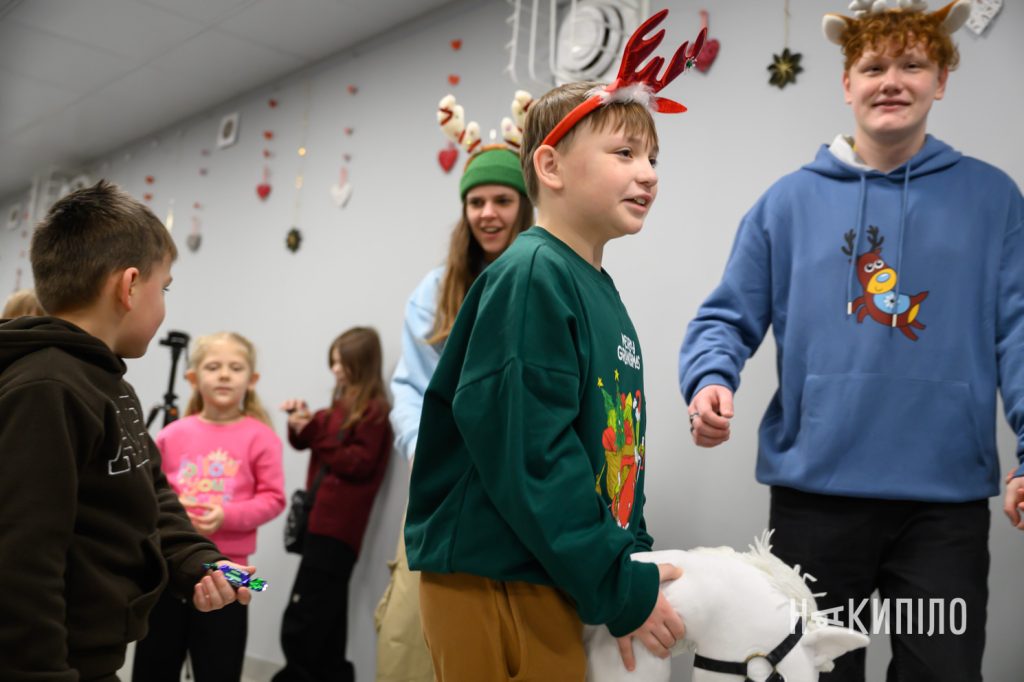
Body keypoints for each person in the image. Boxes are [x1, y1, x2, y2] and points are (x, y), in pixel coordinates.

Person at [678, 2, 1023, 680]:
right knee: (814, 676)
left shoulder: (993, 200)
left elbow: (1019, 332)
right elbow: (725, 317)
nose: (891, 81)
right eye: (873, 67)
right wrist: (710, 378)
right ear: (846, 83)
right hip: (815, 505)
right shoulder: (786, 203)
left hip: (943, 510)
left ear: (941, 80)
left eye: (912, 65)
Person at [405, 11, 705, 679]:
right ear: (551, 165)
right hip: (494, 575)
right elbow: (531, 453)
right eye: (625, 154)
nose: (648, 174)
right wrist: (617, 582)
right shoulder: (532, 275)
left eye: (653, 158)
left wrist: (628, 561)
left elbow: (617, 451)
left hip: (553, 567)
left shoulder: (599, 291)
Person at [0, 180, 255, 682]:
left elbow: (149, 496)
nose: (164, 303)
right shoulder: (47, 388)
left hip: (96, 657)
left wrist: (199, 560)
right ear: (130, 286)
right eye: (165, 288)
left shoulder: (110, 384)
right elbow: (21, 558)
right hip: (53, 665)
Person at [374, 90, 536, 682]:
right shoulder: (436, 291)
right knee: (415, 631)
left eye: (502, 200)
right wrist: (424, 450)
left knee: (512, 632)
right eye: (476, 201)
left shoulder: (545, 279)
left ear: (525, 204)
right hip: (444, 486)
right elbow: (411, 387)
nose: (488, 213)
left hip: (524, 487)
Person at [132, 332, 286, 681]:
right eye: (214, 367)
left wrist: (225, 516)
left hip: (232, 568)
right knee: (154, 663)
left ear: (252, 379)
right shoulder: (172, 434)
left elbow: (274, 499)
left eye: (236, 368)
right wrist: (176, 510)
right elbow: (153, 491)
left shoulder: (261, 436)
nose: (225, 375)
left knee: (219, 665)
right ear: (193, 378)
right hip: (168, 563)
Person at [273, 326, 393, 682]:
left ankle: (297, 676)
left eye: (342, 362)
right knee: (327, 614)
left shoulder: (373, 412)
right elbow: (306, 441)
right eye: (334, 361)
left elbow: (356, 464)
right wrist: (300, 421)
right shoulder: (338, 410)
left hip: (337, 529)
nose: (335, 369)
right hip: (321, 525)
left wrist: (314, 431)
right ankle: (331, 675)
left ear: (361, 363)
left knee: (307, 611)